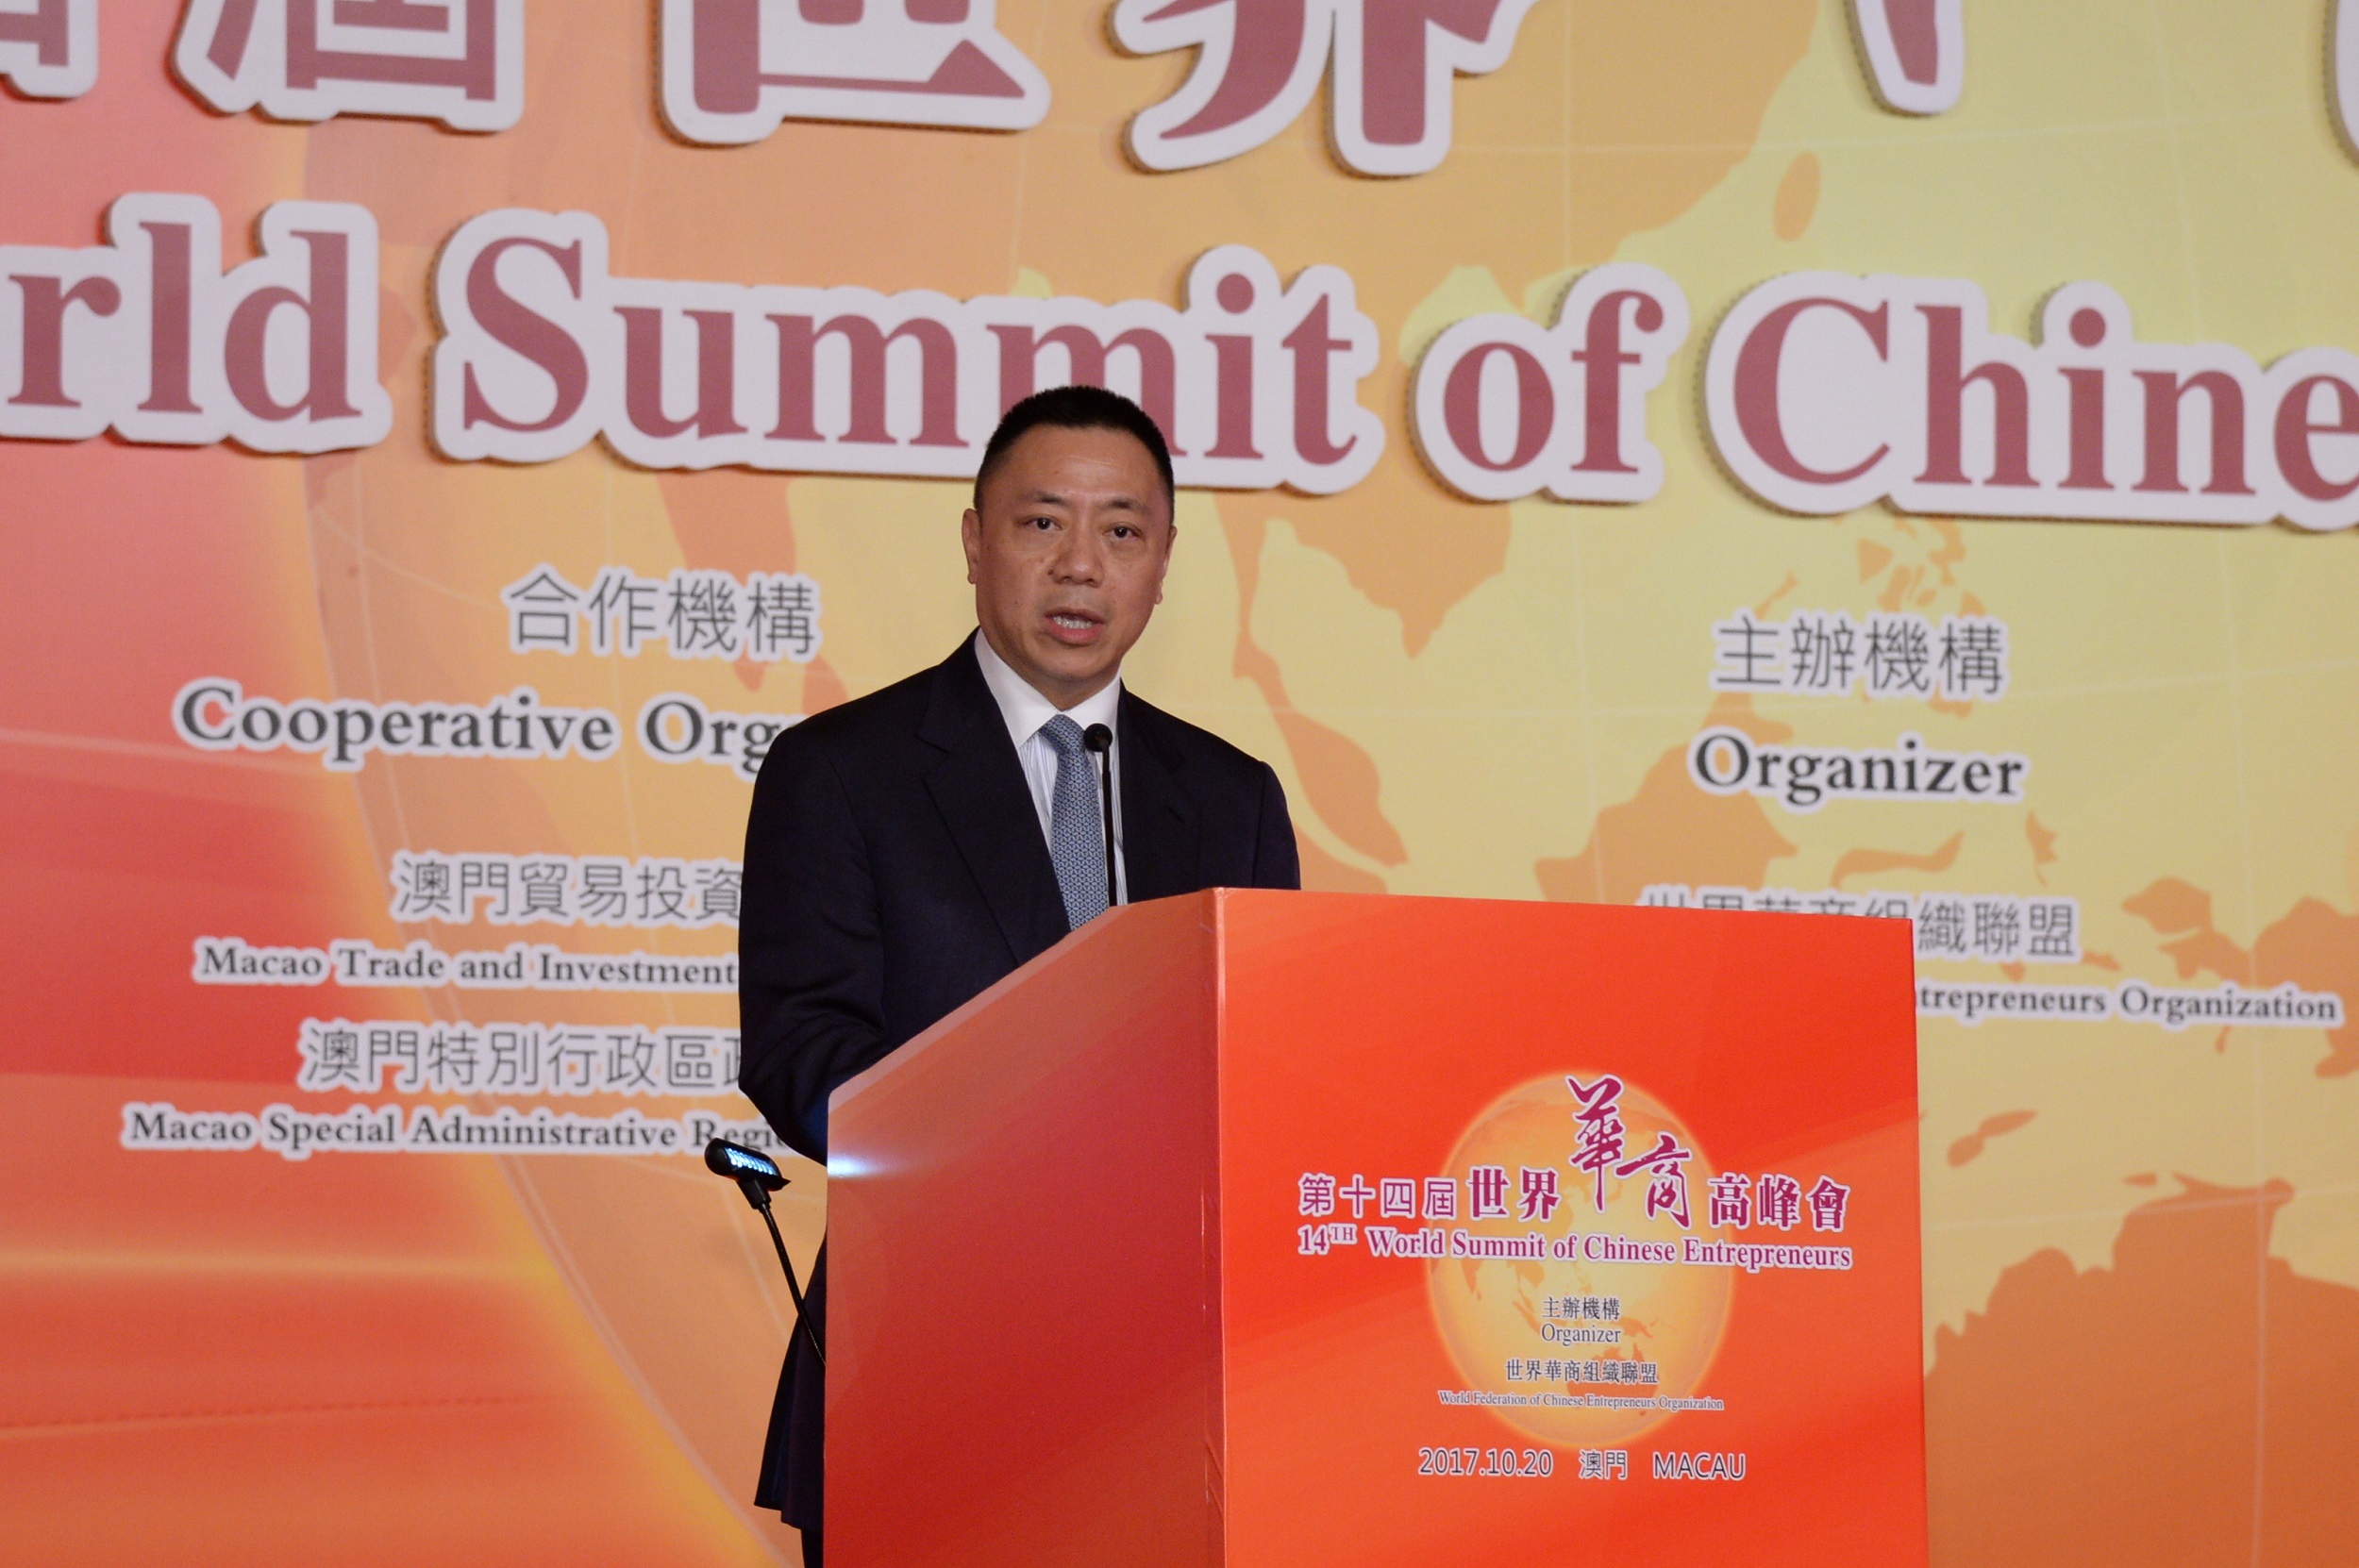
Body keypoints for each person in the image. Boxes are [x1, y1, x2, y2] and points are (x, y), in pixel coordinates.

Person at [735, 385, 1302, 1566]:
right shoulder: (842, 771)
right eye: (1043, 523)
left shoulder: (1231, 797)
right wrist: (1032, 1140)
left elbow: (1272, 1073)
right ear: (974, 539)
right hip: (928, 1364)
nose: (1081, 565)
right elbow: (803, 1057)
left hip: (1170, 1388)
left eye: (1121, 530)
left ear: (1162, 563)